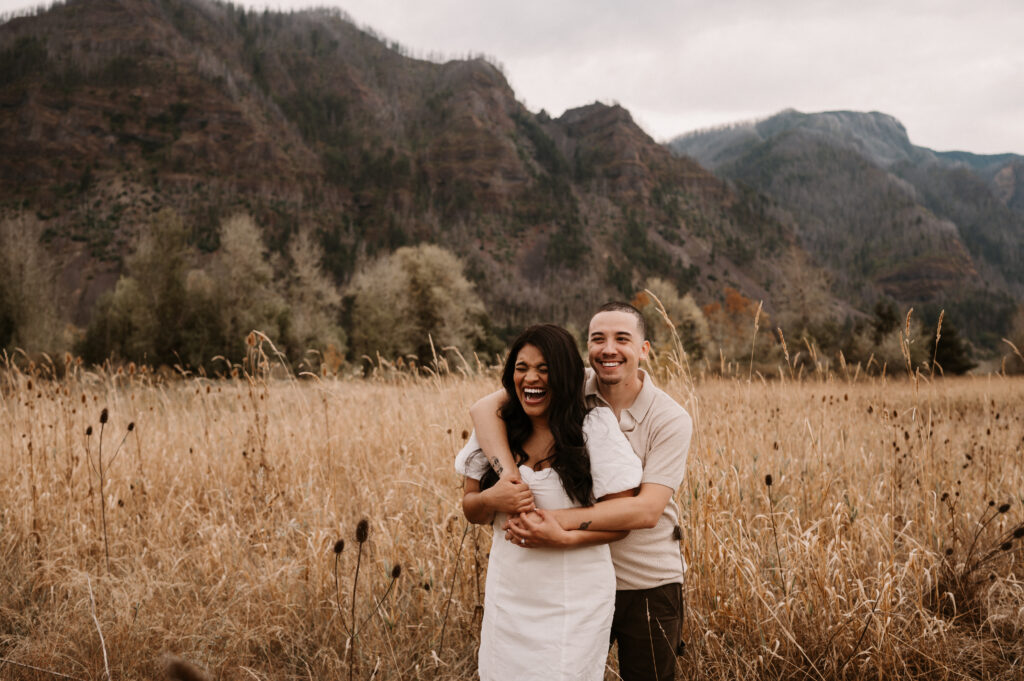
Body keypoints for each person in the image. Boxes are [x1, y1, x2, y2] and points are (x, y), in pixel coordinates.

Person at [466, 302, 693, 681]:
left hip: (646, 581)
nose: (608, 349)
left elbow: (645, 512)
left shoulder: (669, 418)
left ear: (643, 349)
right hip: (570, 580)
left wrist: (548, 523)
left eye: (622, 339)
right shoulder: (565, 383)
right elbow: (486, 407)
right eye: (597, 339)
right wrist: (507, 484)